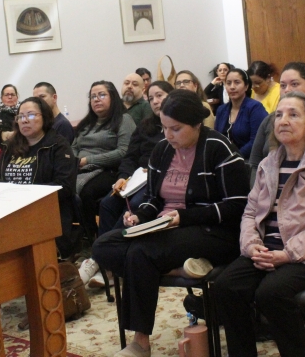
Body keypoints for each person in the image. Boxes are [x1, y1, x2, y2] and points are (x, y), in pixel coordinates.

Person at [91, 89, 250, 357]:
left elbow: (237, 206)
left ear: (197, 124)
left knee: (142, 252)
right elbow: (153, 199)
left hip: (213, 232)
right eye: (164, 128)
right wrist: (140, 216)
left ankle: (140, 341)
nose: (168, 135)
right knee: (103, 246)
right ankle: (180, 269)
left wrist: (185, 217)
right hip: (166, 229)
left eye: (175, 129)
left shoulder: (218, 148)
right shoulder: (163, 150)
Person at [213, 92, 305, 357]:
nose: (283, 120)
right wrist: (252, 246)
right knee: (225, 286)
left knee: (271, 293)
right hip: (268, 250)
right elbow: (250, 213)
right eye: (278, 115)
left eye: (293, 114)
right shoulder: (269, 163)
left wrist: (288, 254)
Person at [82, 81, 175, 288]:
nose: (156, 101)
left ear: (172, 95)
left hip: (160, 178)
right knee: (108, 202)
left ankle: (107, 260)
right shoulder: (146, 126)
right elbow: (130, 156)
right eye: (151, 98)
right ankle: (107, 262)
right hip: (137, 178)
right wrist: (122, 177)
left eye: (160, 95)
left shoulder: (178, 125)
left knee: (134, 204)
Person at [0, 97, 78, 259]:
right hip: (9, 212)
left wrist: (25, 196)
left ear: (44, 117)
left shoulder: (57, 145)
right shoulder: (11, 146)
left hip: (44, 215)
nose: (24, 121)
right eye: (20, 117)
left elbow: (65, 186)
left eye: (30, 115)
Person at [73, 81, 136, 235]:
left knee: (86, 192)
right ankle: (78, 237)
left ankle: (94, 237)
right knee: (63, 188)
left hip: (110, 170)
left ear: (113, 98)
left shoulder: (123, 120)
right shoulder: (87, 123)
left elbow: (124, 152)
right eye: (92, 96)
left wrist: (88, 161)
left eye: (102, 95)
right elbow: (74, 146)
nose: (96, 99)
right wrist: (73, 161)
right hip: (80, 168)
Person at [214, 68, 267, 159]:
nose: (232, 87)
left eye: (237, 82)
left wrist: (233, 156)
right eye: (229, 83)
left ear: (246, 86)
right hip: (225, 160)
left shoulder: (255, 108)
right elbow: (217, 138)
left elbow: (257, 141)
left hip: (249, 161)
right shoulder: (221, 110)